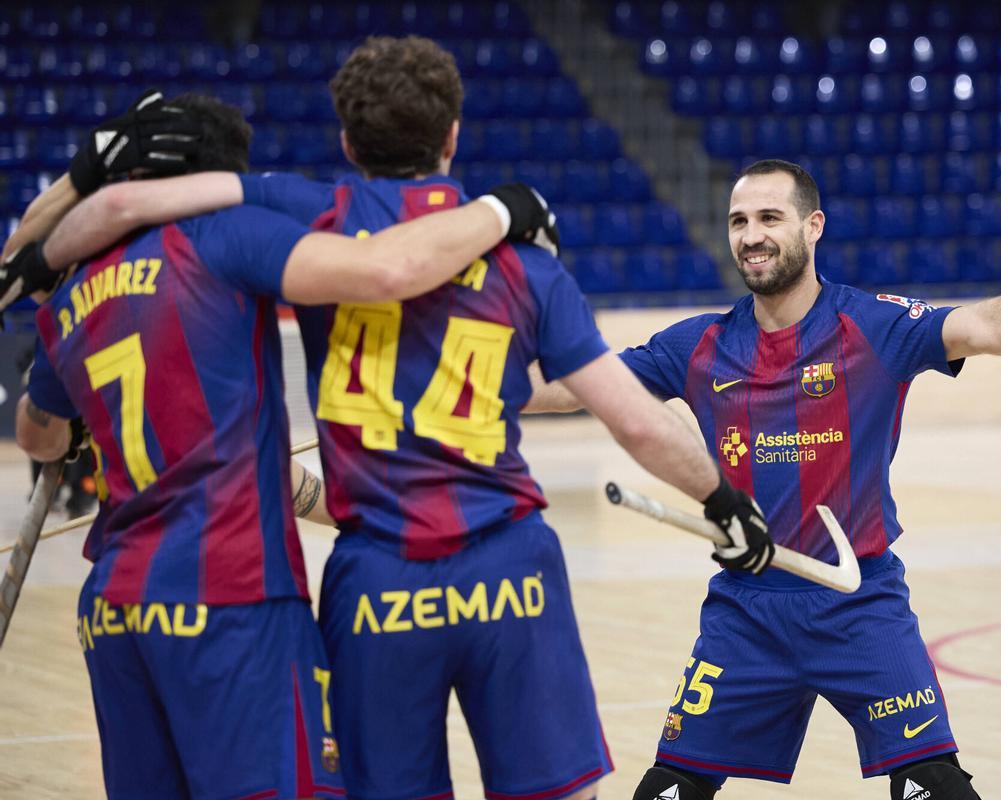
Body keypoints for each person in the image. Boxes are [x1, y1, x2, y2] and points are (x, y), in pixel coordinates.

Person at [16, 38, 774, 800]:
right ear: (453, 134)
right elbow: (637, 423)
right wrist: (724, 503)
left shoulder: (311, 216)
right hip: (509, 572)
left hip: (372, 577)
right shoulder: (523, 261)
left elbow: (134, 208)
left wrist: (50, 243)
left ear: (347, 142)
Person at [525, 159, 1001, 800]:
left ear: (813, 226)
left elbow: (983, 327)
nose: (752, 234)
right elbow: (575, 383)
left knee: (934, 786)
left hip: (860, 605)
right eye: (739, 220)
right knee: (670, 790)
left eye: (770, 217)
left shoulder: (873, 326)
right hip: (746, 611)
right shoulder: (696, 345)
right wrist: (445, 379)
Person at [12, 92, 582, 800]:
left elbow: (37, 431)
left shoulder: (71, 289)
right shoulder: (229, 238)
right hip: (230, 596)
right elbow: (387, 271)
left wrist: (71, 429)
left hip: (112, 611)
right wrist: (501, 212)